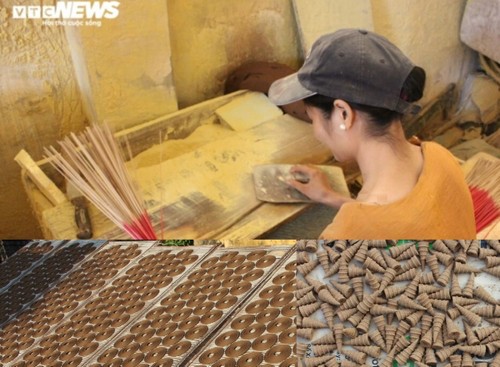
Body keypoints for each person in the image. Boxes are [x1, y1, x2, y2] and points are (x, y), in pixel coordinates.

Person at [268, 29, 476, 239]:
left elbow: (380, 227)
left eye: (312, 118)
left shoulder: (345, 236)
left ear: (343, 114)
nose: (317, 133)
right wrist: (329, 197)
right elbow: (397, 222)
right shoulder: (441, 157)